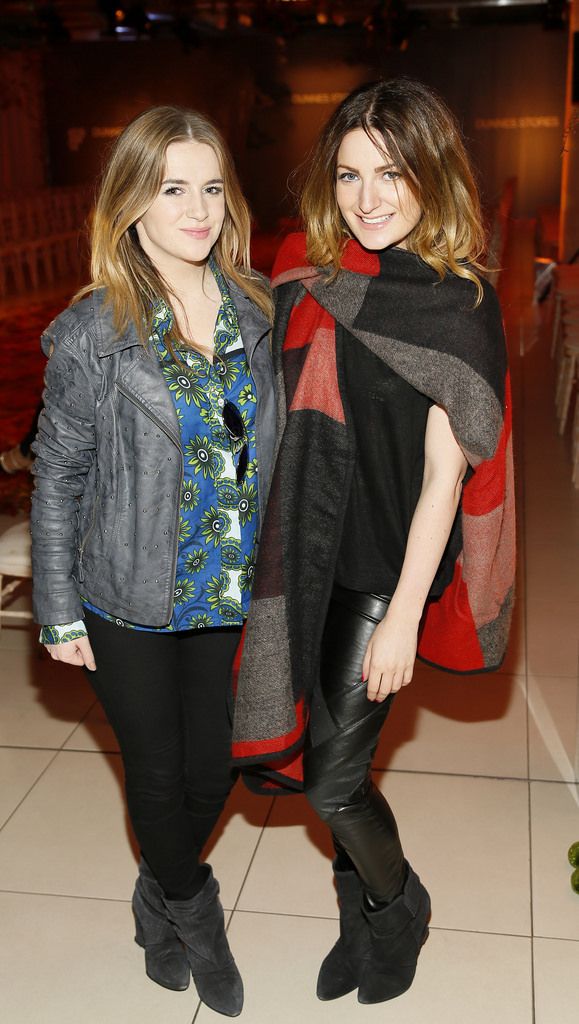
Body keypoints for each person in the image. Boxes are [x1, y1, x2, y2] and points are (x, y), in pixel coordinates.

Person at [232, 78, 515, 1005]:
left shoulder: (454, 305)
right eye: (349, 173)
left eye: (391, 172)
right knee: (326, 757)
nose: (368, 196)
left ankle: (399, 906)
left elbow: (443, 481)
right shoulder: (310, 274)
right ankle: (358, 918)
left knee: (333, 781)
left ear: (431, 173)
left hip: (382, 572)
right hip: (304, 553)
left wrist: (397, 617)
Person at [30, 105, 275, 1018]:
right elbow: (57, 474)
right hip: (125, 596)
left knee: (216, 769)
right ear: (132, 202)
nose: (198, 208)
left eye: (211, 186)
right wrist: (55, 609)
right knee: (160, 771)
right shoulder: (95, 330)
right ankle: (196, 913)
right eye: (174, 188)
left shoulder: (258, 310)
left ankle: (156, 888)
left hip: (227, 590)